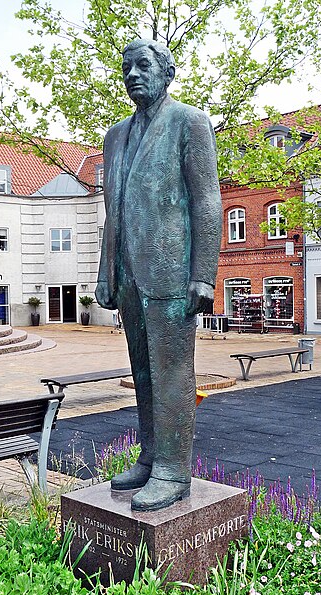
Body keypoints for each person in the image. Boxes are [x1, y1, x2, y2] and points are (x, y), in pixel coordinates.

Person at [95, 38, 222, 511]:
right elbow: (114, 207)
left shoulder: (190, 122)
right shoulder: (115, 135)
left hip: (172, 272)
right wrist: (108, 269)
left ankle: (173, 470)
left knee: (171, 372)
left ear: (167, 72)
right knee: (143, 372)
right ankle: (150, 458)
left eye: (143, 66)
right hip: (130, 273)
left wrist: (203, 275)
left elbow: (208, 200)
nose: (132, 75)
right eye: (125, 68)